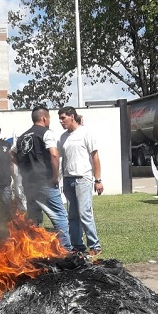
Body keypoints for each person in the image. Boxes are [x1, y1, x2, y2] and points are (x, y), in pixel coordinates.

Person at [12, 106, 72, 251]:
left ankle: (31, 249)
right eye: (49, 118)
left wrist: (23, 166)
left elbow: (11, 154)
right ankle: (65, 250)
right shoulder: (46, 133)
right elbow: (54, 154)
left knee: (33, 217)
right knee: (59, 215)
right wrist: (55, 177)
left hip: (28, 183)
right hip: (44, 181)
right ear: (44, 118)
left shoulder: (22, 137)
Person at [58, 106, 103, 256]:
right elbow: (60, 158)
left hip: (83, 178)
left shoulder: (85, 133)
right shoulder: (63, 137)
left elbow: (95, 157)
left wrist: (98, 180)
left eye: (63, 118)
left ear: (72, 116)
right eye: (60, 118)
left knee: (84, 213)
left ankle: (95, 246)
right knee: (72, 215)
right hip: (68, 179)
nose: (61, 121)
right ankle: (77, 246)